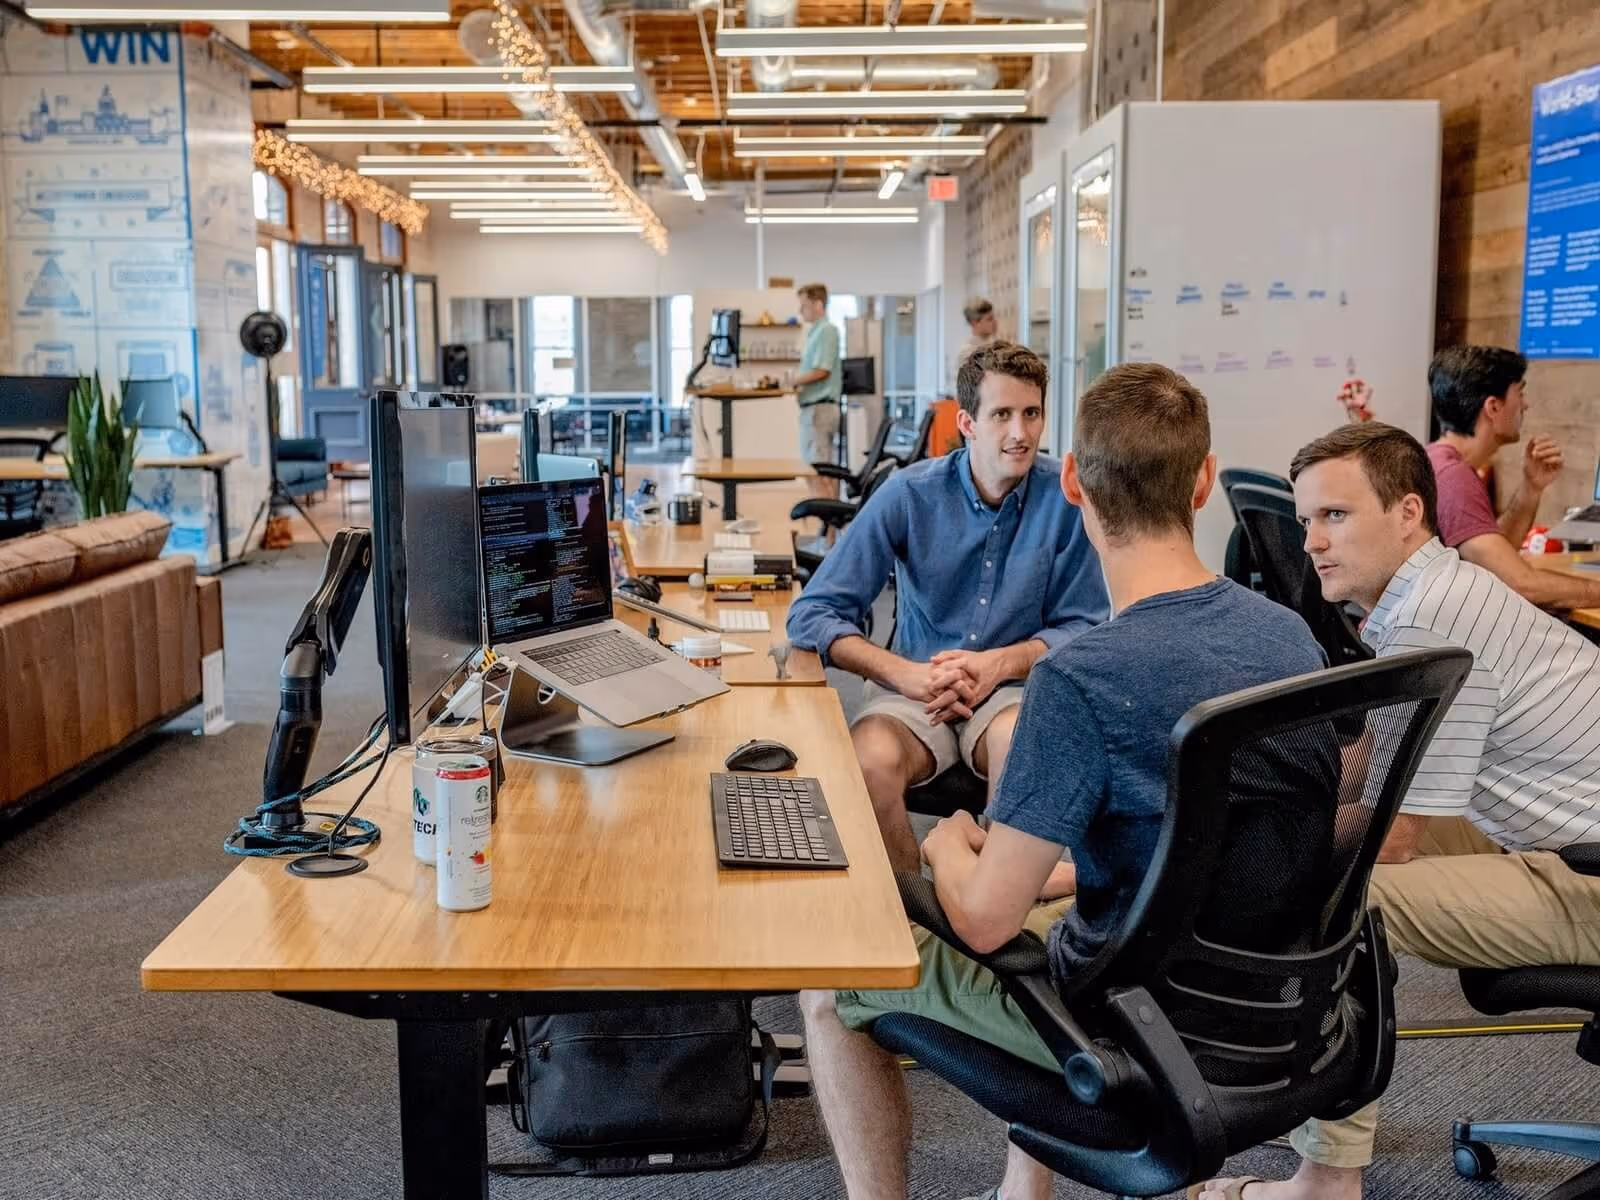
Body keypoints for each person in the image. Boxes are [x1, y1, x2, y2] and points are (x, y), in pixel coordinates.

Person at [800, 363, 1334, 1200]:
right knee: (1049, 898)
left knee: (829, 986)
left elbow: (980, 922)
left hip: (1128, 1031)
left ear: (1077, 483)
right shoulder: (1291, 638)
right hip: (1279, 1014)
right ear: (1203, 482)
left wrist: (948, 842)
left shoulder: (1080, 682)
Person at [1196, 422, 1600, 1200]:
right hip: (1558, 835)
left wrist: (1224, 854)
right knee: (1309, 851)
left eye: (1336, 517)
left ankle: (1326, 1178)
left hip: (1584, 874)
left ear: (1410, 513)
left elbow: (1391, 834)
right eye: (1307, 518)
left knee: (1346, 898)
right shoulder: (1429, 594)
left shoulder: (1431, 617)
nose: (1311, 541)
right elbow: (1370, 770)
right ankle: (1310, 1085)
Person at [786, 341, 1107, 874]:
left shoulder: (1066, 498)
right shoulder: (909, 494)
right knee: (868, 762)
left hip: (1011, 691)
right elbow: (813, 613)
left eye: (1031, 414)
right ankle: (916, 913)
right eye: (1001, 414)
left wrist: (998, 664)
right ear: (967, 422)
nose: (1020, 433)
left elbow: (1086, 626)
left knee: (1020, 750)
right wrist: (902, 674)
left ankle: (990, 910)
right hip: (915, 687)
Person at [1424, 346, 1600, 610]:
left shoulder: (1439, 461)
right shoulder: (1452, 478)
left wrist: (1531, 488)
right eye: (1520, 392)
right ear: (1493, 406)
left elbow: (1496, 560)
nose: (1525, 404)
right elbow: (1520, 583)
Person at [795, 282, 843, 498]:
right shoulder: (815, 332)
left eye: (804, 305)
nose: (800, 310)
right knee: (812, 470)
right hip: (812, 409)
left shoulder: (827, 331)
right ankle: (827, 526)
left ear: (818, 304)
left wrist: (793, 381)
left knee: (819, 471)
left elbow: (822, 370)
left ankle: (831, 528)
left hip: (820, 409)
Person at [960, 297, 1001, 361]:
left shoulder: (995, 344)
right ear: (975, 323)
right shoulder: (968, 352)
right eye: (989, 319)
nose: (995, 322)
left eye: (994, 318)